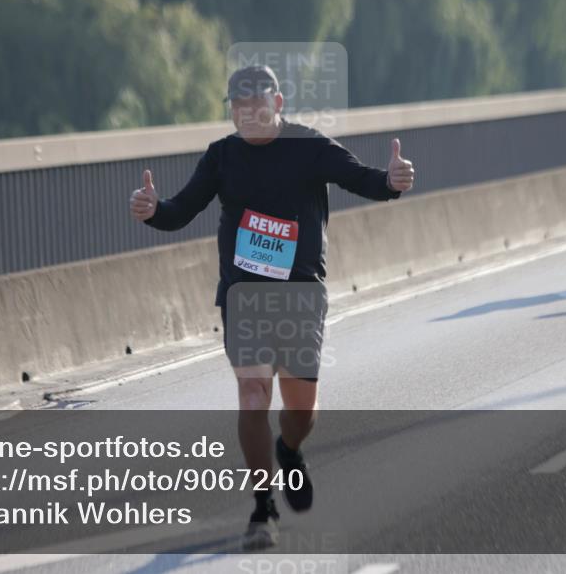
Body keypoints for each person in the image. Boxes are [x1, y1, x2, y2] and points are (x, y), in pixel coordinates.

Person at [129, 64, 414, 550]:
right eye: (240, 108)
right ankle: (264, 507)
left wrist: (392, 180)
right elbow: (181, 211)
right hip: (244, 294)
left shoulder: (310, 147)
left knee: (300, 410)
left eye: (259, 105)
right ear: (232, 111)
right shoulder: (222, 156)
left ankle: (289, 448)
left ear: (278, 104)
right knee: (254, 396)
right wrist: (154, 210)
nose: (250, 115)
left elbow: (361, 178)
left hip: (302, 295)